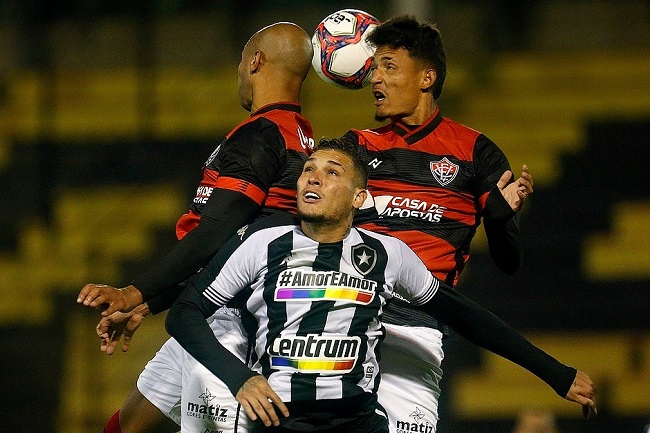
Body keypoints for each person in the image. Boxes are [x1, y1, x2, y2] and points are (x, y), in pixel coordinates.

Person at [165, 138, 596, 433]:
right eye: (308, 169)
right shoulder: (263, 244)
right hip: (277, 421)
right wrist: (239, 378)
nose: (312, 178)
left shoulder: (388, 254)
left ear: (357, 198)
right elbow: (185, 314)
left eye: (331, 172)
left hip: (356, 422)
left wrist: (555, 374)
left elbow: (463, 314)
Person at [76, 22, 315, 433]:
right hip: (211, 311)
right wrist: (146, 305)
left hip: (235, 327)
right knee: (126, 424)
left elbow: (217, 231)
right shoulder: (298, 135)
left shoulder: (263, 134)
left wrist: (134, 290)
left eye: (242, 62)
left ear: (255, 61)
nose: (240, 73)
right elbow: (233, 241)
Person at [338, 15, 538, 433]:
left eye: (389, 66)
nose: (375, 78)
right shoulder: (355, 147)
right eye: (374, 67)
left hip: (416, 330)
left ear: (427, 77)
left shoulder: (475, 152)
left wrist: (499, 219)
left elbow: (509, 262)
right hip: (344, 320)